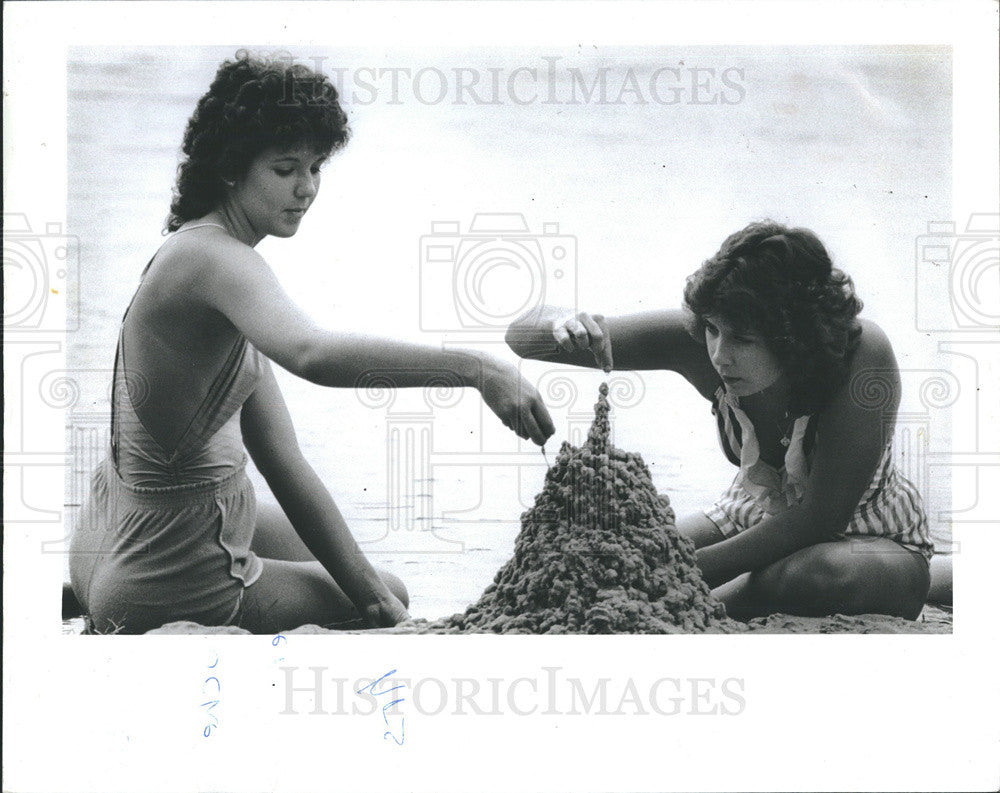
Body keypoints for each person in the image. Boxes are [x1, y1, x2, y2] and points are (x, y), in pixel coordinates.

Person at [69, 52, 555, 635]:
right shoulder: (217, 260)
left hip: (108, 546)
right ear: (229, 168)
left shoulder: (199, 254)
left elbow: (283, 461)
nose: (306, 189)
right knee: (387, 587)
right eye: (284, 169)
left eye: (316, 167)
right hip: (160, 573)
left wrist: (379, 604)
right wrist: (480, 370)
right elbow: (314, 356)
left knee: (367, 581)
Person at [506, 221, 935, 620]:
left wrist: (673, 579)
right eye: (712, 329)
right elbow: (522, 338)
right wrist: (563, 322)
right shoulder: (707, 335)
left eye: (743, 340)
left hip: (874, 540)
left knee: (810, 575)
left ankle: (704, 612)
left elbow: (821, 518)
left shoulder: (861, 355)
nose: (719, 354)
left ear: (797, 337)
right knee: (617, 555)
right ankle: (712, 598)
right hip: (753, 517)